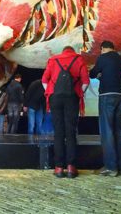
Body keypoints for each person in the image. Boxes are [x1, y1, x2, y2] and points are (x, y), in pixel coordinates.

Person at [42, 46, 90, 178]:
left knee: (58, 132)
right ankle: (71, 167)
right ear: (72, 51)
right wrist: (79, 93)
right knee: (70, 132)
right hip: (71, 98)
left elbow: (44, 80)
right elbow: (86, 81)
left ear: (62, 51)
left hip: (55, 98)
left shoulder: (53, 60)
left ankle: (58, 168)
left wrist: (50, 94)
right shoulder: (79, 59)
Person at [89, 40, 121, 177]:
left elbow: (92, 73)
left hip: (107, 97)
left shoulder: (103, 57)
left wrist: (98, 75)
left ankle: (111, 167)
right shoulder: (120, 60)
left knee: (107, 132)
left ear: (103, 49)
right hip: (119, 96)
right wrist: (103, 76)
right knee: (118, 131)